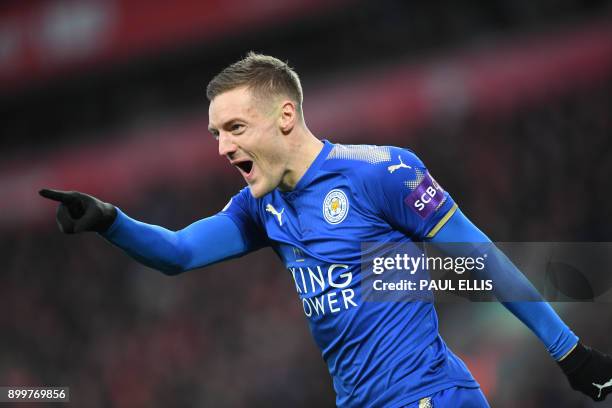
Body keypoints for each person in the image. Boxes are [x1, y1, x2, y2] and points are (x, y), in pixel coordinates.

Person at [40, 53, 612, 407]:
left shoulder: (381, 174)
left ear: (285, 116)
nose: (223, 146)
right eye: (216, 133)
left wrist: (571, 354)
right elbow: (180, 253)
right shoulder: (259, 208)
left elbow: (479, 261)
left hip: (429, 397)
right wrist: (111, 221)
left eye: (235, 127)